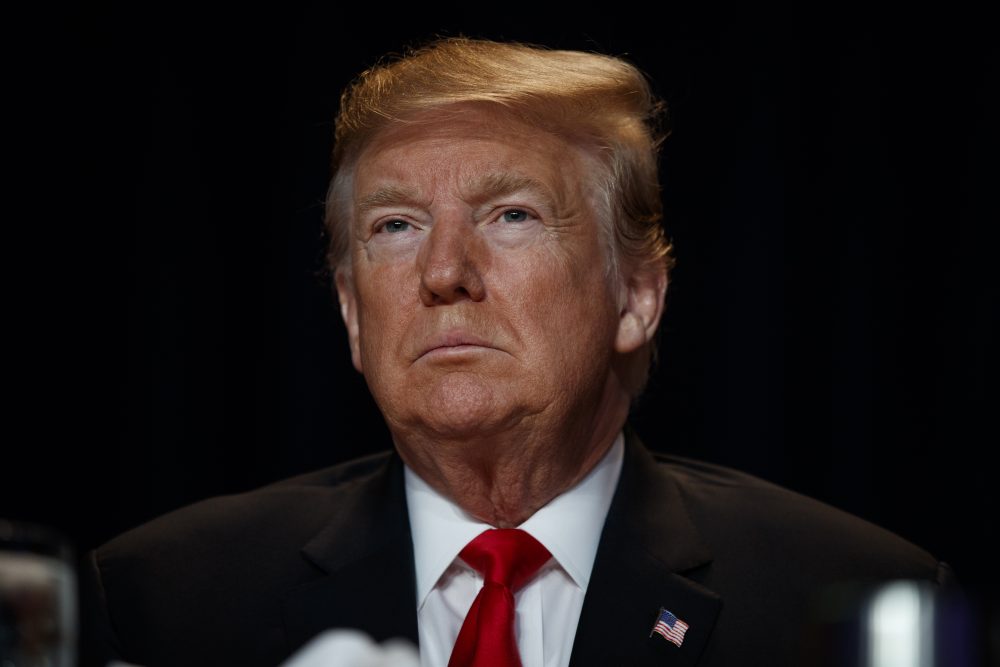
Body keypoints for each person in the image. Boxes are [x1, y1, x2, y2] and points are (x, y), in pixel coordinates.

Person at [81, 37, 952, 667]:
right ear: (351, 312)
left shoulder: (847, 603)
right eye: (395, 226)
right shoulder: (163, 601)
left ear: (636, 296)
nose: (445, 272)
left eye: (512, 216)